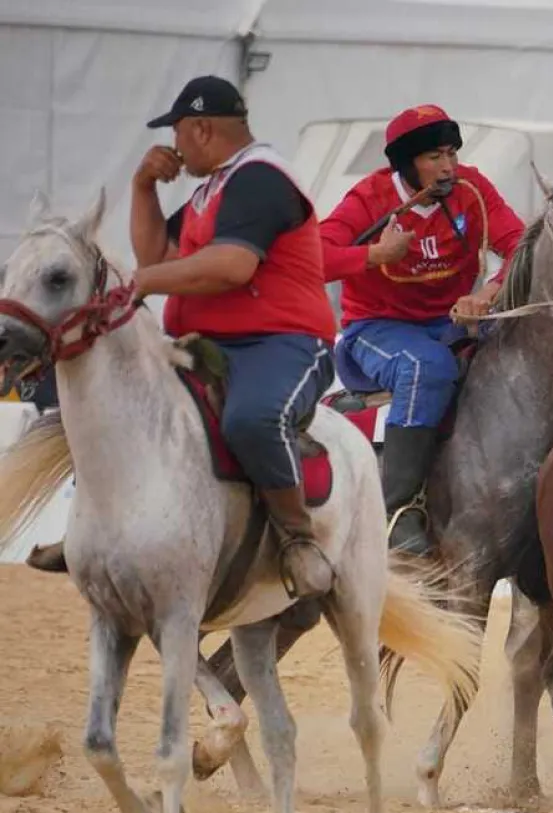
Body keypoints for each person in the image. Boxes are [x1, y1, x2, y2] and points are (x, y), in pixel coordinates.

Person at [123, 76, 338, 598]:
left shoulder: (259, 178)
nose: (173, 145)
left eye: (176, 132)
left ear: (199, 128)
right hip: (209, 342)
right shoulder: (211, 190)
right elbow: (154, 256)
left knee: (252, 418)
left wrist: (145, 284)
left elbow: (233, 266)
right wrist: (142, 187)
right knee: (124, 402)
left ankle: (297, 538)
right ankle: (111, 531)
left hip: (280, 343)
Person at [320, 105, 526, 555]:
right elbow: (313, 257)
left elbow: (520, 247)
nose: (448, 166)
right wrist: (375, 255)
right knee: (428, 367)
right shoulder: (368, 198)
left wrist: (487, 294)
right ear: (407, 163)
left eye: (451, 153)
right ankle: (398, 511)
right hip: (376, 328)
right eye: (434, 157)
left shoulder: (472, 188)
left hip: (452, 322)